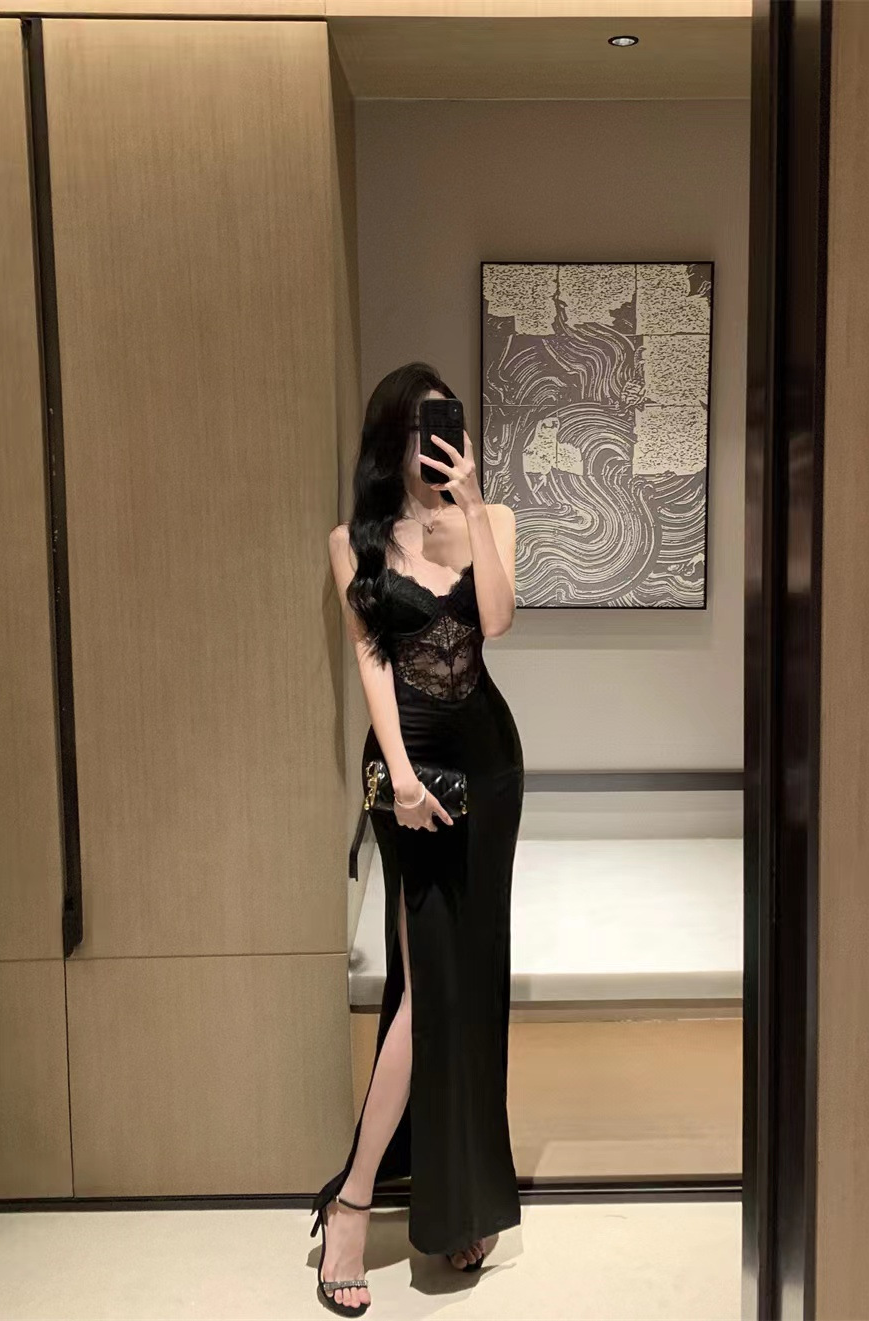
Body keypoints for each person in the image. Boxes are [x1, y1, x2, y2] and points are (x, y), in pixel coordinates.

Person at [309, 362, 525, 1316]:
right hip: (407, 768)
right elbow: (371, 661)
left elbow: (498, 622)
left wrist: (471, 505)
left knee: (468, 982)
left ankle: (460, 1199)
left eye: (446, 426)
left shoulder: (491, 518)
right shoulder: (353, 540)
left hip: (490, 764)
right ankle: (354, 1204)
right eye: (418, 428)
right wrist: (398, 774)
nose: (434, 443)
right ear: (390, 438)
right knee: (426, 985)